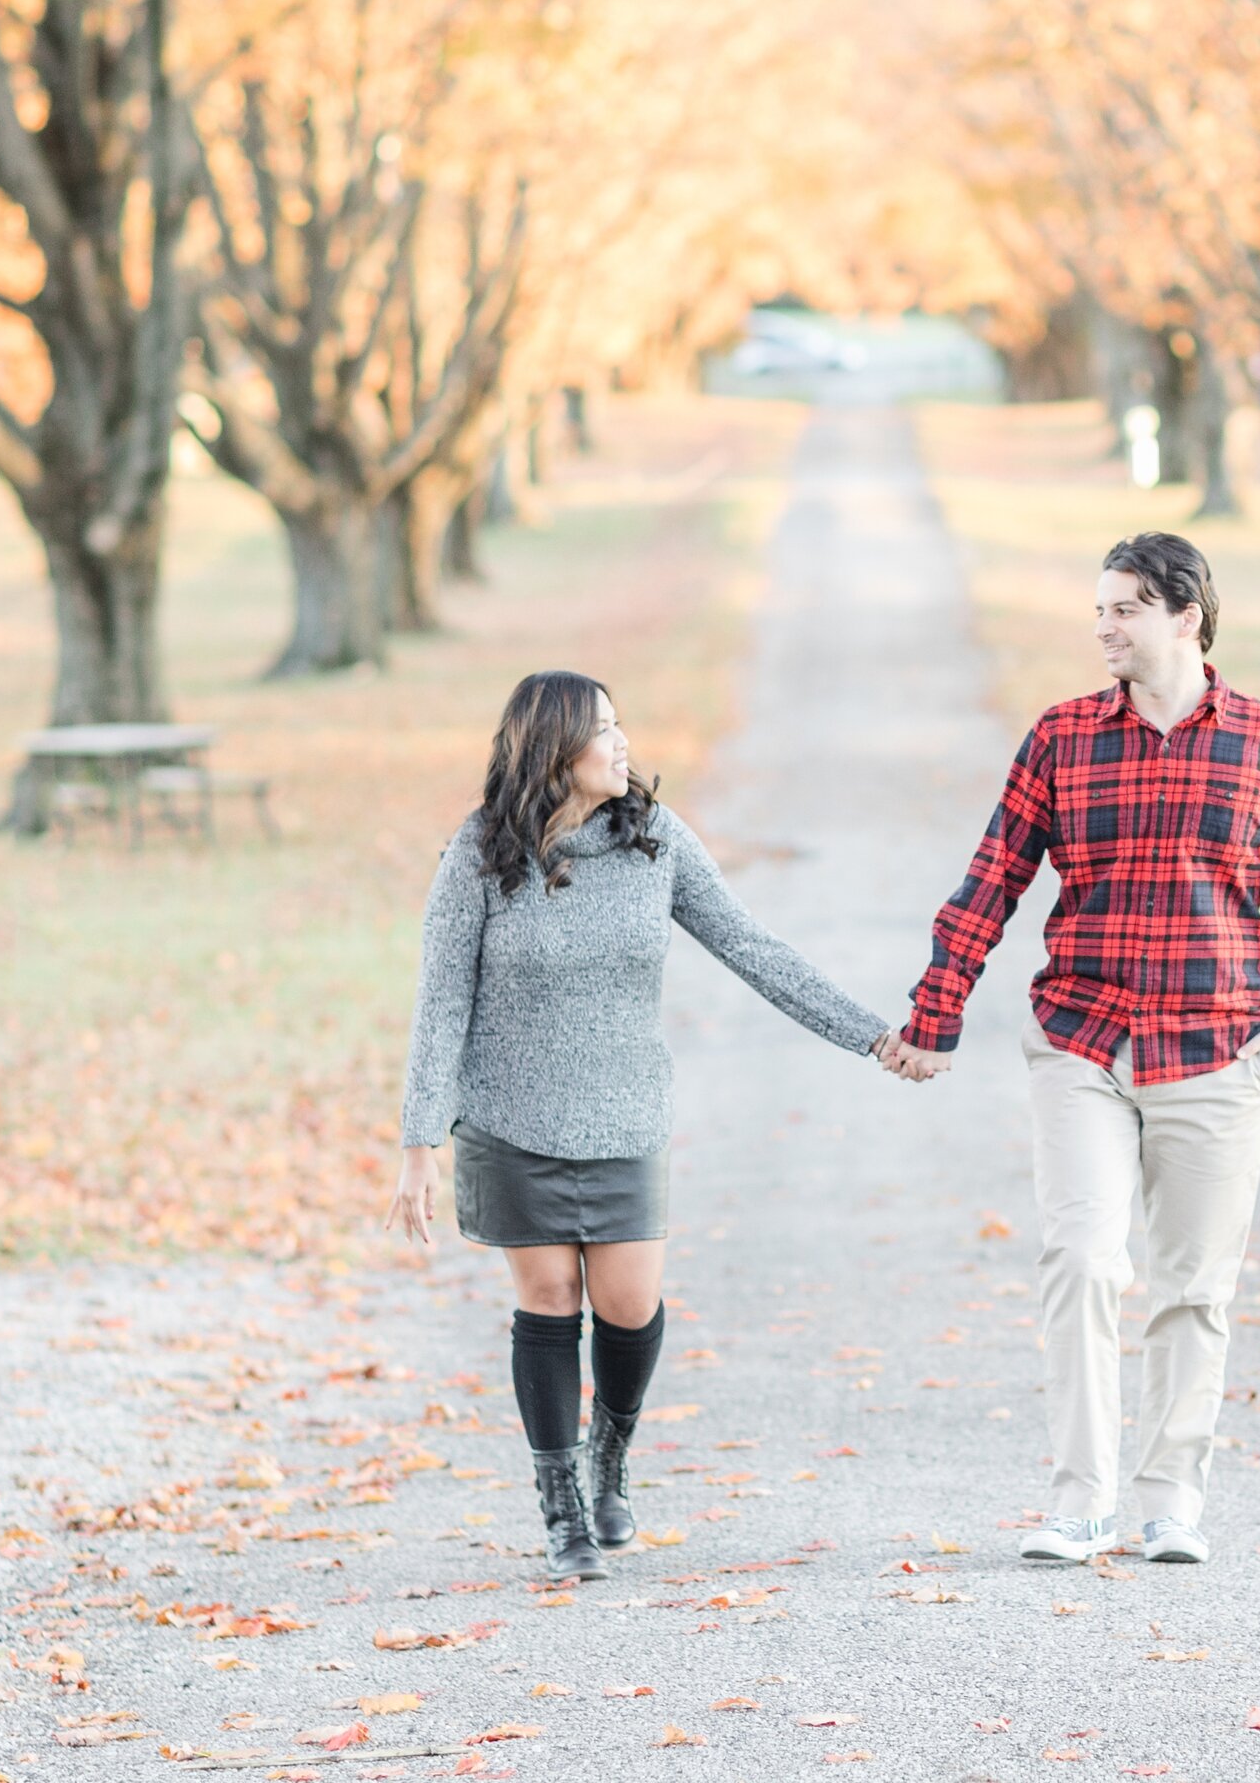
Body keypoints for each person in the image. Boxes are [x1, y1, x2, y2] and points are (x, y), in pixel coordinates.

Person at [387, 668, 915, 1581]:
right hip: (512, 1118)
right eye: (603, 730)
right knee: (547, 1302)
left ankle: (609, 1457)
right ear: (553, 751)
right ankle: (561, 1511)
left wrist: (869, 1034)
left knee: (627, 1308)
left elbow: (751, 946)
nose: (624, 742)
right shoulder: (478, 854)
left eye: (621, 723)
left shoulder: (655, 841)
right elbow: (441, 1004)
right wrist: (418, 1144)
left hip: (626, 1112)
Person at [882, 531, 1260, 1567]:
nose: (1102, 627)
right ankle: (1080, 1499)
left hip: (1217, 1048)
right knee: (1082, 1261)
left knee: (1192, 1290)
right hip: (1080, 1038)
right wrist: (933, 1014)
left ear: (1185, 615)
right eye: (1098, 609)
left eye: (1123, 608)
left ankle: (1170, 1497)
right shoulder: (1061, 736)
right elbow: (989, 879)